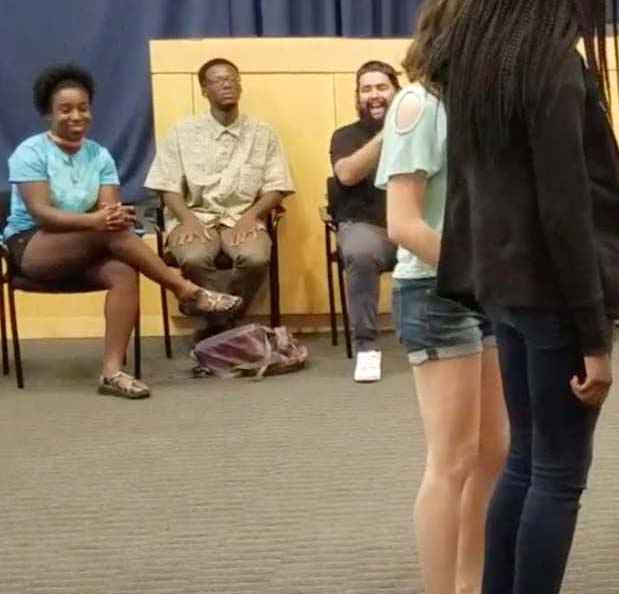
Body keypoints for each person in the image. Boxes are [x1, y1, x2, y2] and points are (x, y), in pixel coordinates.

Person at [438, 0, 619, 594]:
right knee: (558, 474)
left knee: (523, 466)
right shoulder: (554, 70)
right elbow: (567, 212)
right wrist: (596, 337)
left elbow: (472, 202)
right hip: (555, 301)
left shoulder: (482, 65)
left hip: (507, 294)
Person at [373, 0, 508, 594]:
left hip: (474, 292)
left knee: (493, 449)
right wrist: (475, 271)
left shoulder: (466, 104)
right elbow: (401, 223)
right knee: (450, 460)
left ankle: (471, 583)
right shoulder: (417, 107)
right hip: (436, 293)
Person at [3, 65, 240, 398]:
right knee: (108, 231)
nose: (77, 116)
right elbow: (43, 214)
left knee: (123, 270)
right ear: (48, 114)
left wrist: (109, 218)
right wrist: (99, 222)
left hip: (85, 244)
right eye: (66, 109)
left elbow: (108, 214)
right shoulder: (30, 152)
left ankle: (112, 372)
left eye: (83, 108)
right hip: (31, 246)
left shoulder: (99, 155)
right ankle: (186, 290)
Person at [145, 58, 294, 337]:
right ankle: (227, 326)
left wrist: (251, 216)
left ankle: (216, 322)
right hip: (195, 214)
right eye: (217, 80)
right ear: (203, 89)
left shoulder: (262, 133)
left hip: (242, 215)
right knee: (193, 258)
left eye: (232, 79)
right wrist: (186, 220)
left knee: (255, 258)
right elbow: (167, 187)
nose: (227, 84)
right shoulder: (182, 133)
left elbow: (278, 185)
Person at [329, 60, 402, 382]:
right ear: (357, 96)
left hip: (414, 225)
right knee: (360, 252)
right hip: (367, 226)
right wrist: (387, 136)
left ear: (397, 91)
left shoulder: (421, 129)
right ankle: (367, 349)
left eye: (382, 87)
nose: (374, 95)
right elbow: (346, 174)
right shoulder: (345, 135)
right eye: (366, 89)